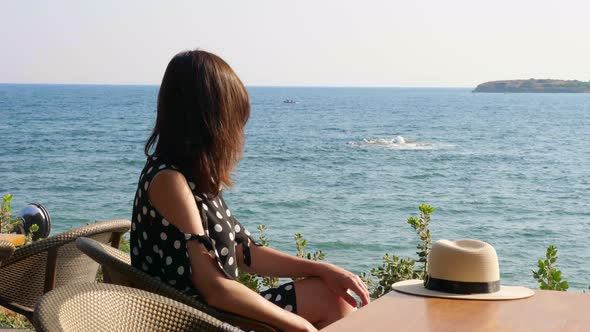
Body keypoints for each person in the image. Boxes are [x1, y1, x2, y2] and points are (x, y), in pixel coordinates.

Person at [130, 49, 370, 332]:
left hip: (216, 316)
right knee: (331, 304)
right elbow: (215, 289)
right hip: (195, 323)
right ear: (210, 121)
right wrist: (300, 325)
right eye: (235, 120)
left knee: (333, 296)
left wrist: (321, 269)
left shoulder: (192, 177)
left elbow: (246, 252)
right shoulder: (169, 181)